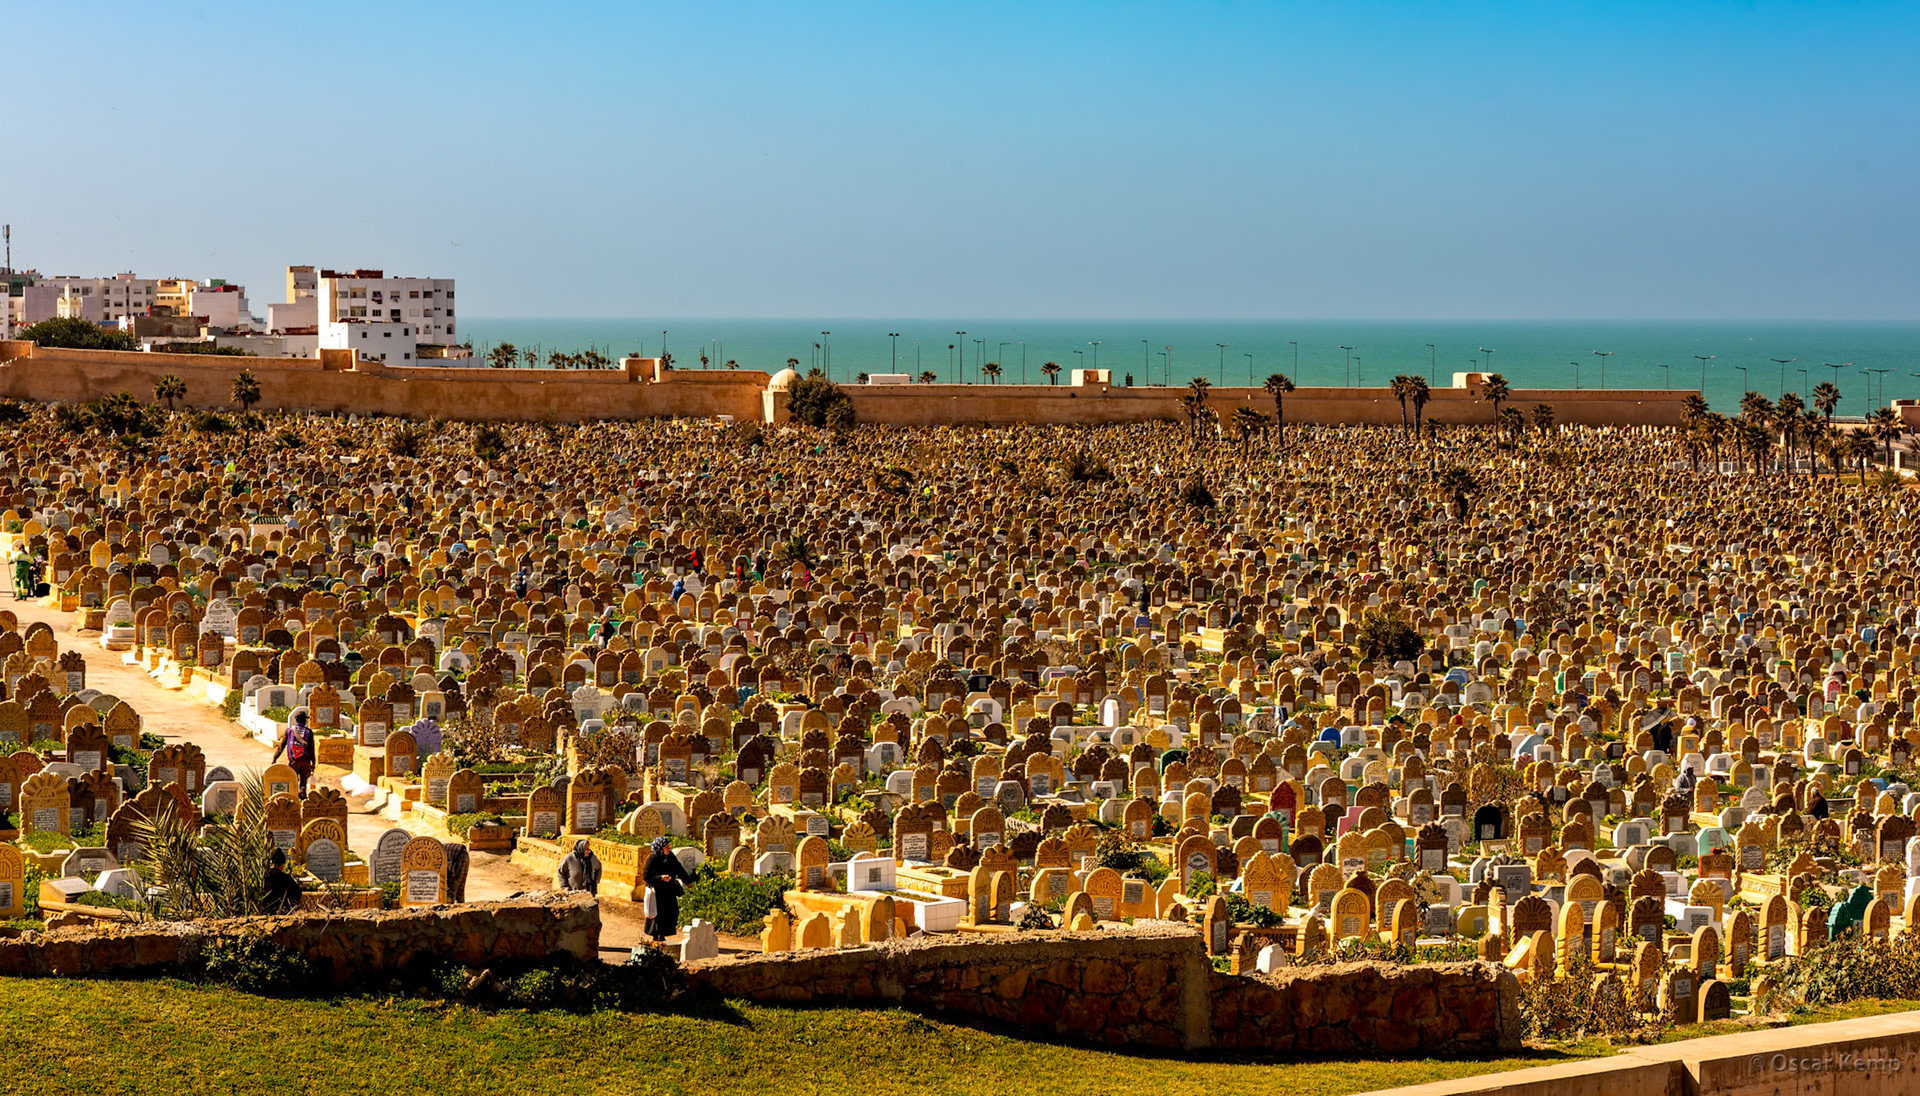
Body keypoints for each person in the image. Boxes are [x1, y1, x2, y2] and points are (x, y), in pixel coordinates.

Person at [643, 835, 694, 943]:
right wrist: (660, 878)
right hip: (657, 891)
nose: (669, 848)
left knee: (671, 912)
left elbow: (679, 868)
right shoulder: (653, 859)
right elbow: (646, 877)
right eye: (667, 846)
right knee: (658, 914)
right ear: (660, 848)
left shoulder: (670, 856)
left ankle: (663, 934)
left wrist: (688, 881)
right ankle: (657, 935)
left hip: (669, 890)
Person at [272, 710, 317, 798]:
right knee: (303, 783)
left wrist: (275, 757)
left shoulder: (289, 731)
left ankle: (294, 799)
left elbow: (281, 746)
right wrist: (313, 763)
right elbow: (311, 748)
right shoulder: (308, 732)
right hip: (305, 760)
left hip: (294, 760)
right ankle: (303, 799)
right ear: (304, 720)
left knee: (292, 780)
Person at [262, 848, 302, 914]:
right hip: (282, 912)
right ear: (282, 865)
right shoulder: (285, 878)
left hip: (265, 911)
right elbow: (297, 893)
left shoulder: (264, 877)